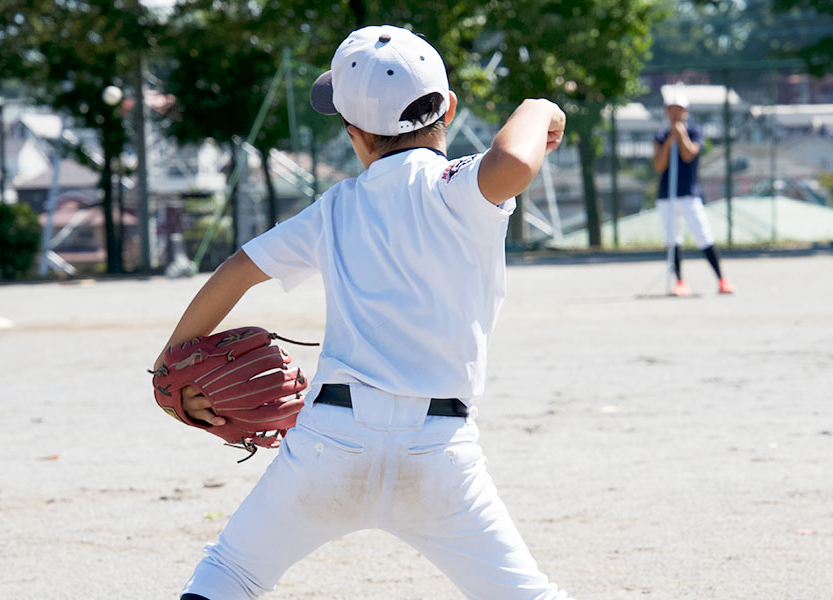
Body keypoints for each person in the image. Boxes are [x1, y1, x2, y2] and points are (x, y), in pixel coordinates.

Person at [155, 25, 571, 600]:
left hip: (330, 442)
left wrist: (168, 363)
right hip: (438, 452)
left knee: (231, 573)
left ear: (354, 134)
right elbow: (516, 162)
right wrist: (540, 105)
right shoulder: (459, 187)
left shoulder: (335, 208)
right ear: (449, 108)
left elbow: (236, 271)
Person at [653, 91, 735, 296]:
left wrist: (680, 135)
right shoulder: (661, 137)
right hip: (666, 196)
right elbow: (659, 165)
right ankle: (680, 282)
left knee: (703, 235)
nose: (674, 114)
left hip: (689, 194)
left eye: (678, 109)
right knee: (672, 239)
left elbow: (689, 154)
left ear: (685, 112)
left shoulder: (695, 132)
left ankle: (722, 280)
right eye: (671, 110)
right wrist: (669, 141)